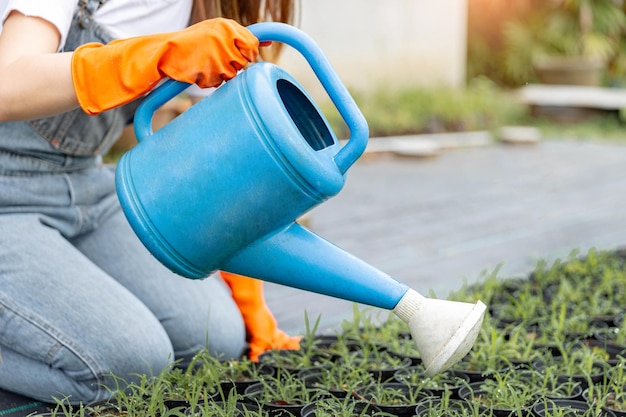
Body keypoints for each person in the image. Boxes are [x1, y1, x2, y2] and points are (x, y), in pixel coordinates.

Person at [0, 0, 299, 405]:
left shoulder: (198, 9)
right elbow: (7, 83)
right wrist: (153, 57)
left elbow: (195, 158)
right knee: (131, 364)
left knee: (214, 340)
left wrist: (246, 294)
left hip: (83, 183)